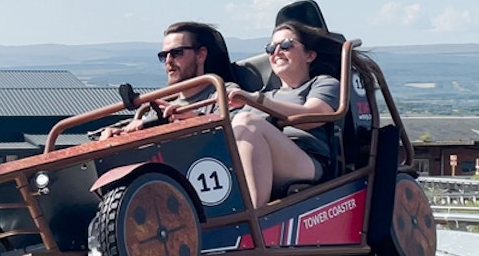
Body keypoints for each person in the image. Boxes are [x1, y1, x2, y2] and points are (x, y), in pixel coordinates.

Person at [225, 21, 341, 208]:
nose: (276, 52)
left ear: (309, 55)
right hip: (264, 158)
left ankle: (252, 216)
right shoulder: (266, 96)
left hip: (307, 160)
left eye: (286, 45)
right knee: (238, 125)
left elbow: (314, 114)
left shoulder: (322, 84)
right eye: (271, 48)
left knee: (247, 122)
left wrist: (258, 101)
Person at [98, 21, 230, 138]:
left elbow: (243, 125)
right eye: (163, 56)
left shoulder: (223, 94)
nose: (168, 61)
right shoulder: (158, 107)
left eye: (176, 53)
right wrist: (121, 136)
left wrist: (198, 121)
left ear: (201, 55)